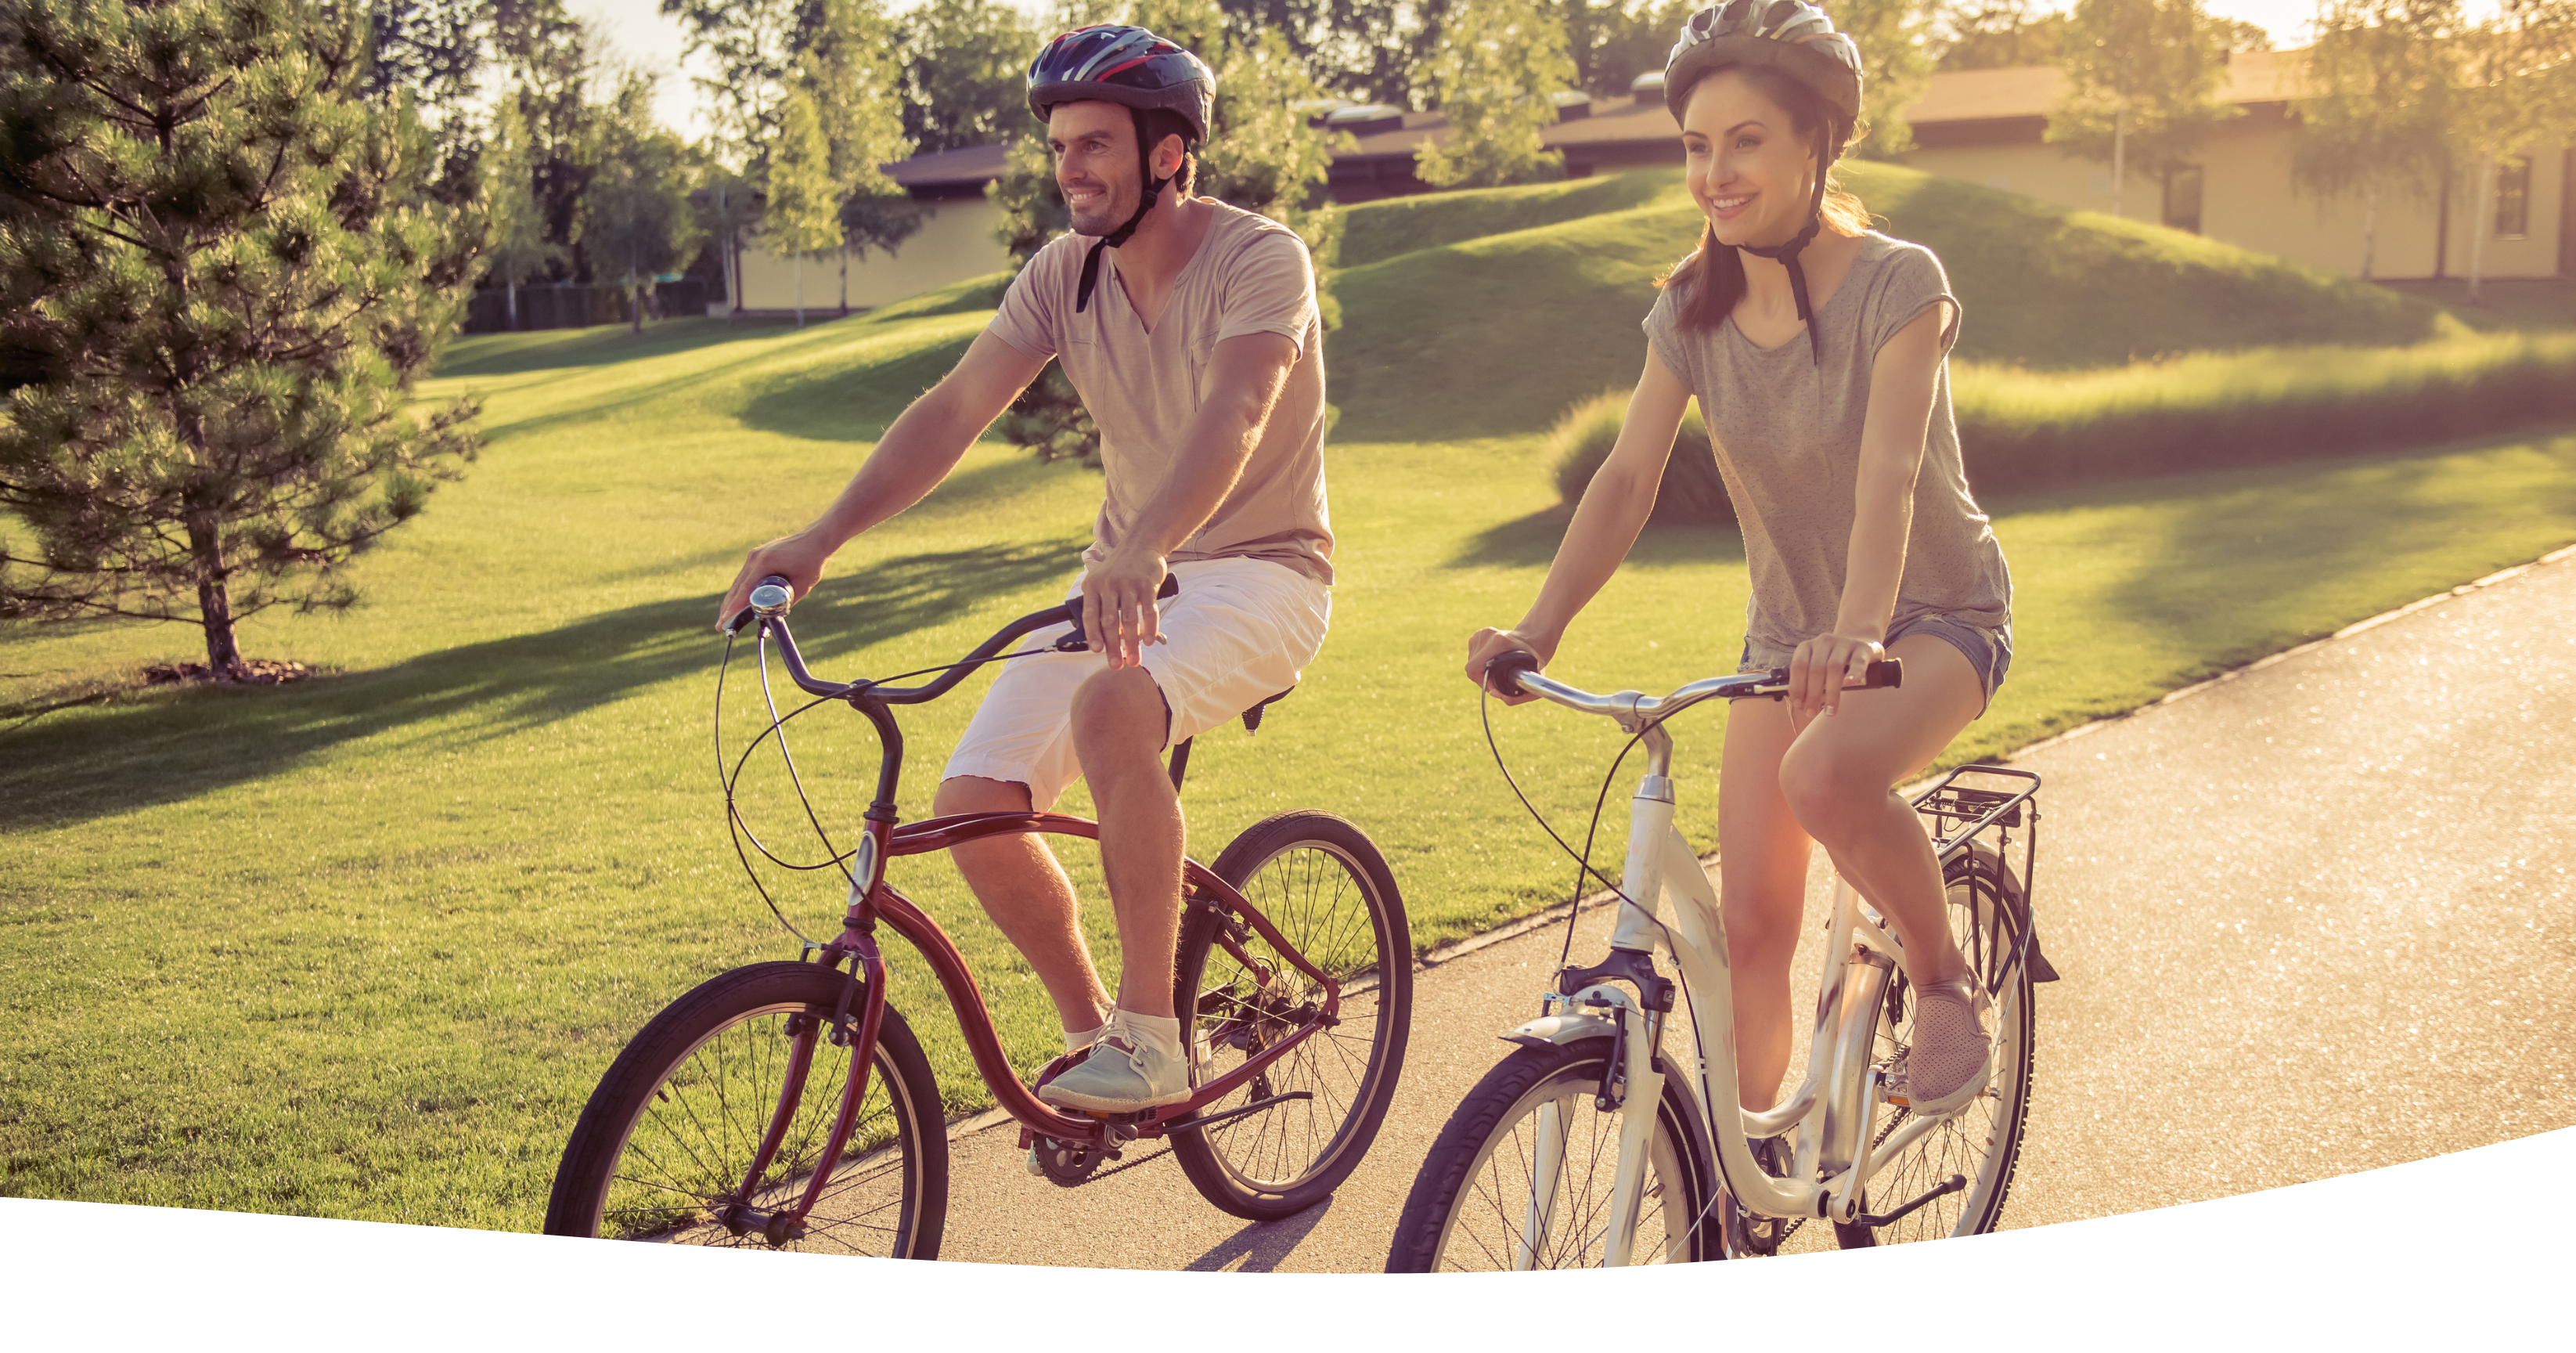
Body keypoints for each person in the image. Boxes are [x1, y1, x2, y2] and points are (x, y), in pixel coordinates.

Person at [716, 24, 1334, 1117]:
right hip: (1124, 580)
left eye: (1096, 144)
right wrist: (819, 538)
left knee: (1111, 708)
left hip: (1262, 572)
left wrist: (1147, 544)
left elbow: (1238, 411)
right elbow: (955, 409)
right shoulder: (1064, 274)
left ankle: (1156, 1042)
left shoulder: (1259, 257)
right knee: (973, 809)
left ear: (1168, 154)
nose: (1071, 170)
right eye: (1059, 148)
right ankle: (1096, 1038)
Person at [1462, 0, 2015, 1132]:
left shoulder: (1901, 283)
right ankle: (1746, 1188)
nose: (1715, 172)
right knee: (1750, 930)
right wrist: (1539, 630)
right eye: (1697, 146)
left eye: (1746, 141)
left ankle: (1947, 979)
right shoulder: (1692, 309)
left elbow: (1891, 472)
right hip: (1788, 641)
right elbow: (1625, 480)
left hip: (1932, 620)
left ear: (1818, 143)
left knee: (1824, 778)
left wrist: (1860, 628)